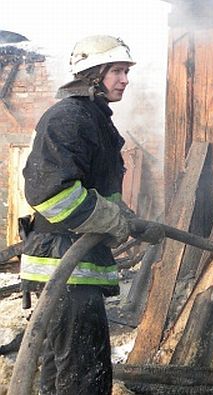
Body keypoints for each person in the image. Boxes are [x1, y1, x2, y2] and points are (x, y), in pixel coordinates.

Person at [19, 35, 161, 395]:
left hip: (74, 268)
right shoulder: (68, 118)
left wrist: (130, 219)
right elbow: (51, 193)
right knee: (86, 374)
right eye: (116, 71)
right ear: (91, 74)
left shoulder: (94, 120)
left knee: (64, 370)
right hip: (63, 265)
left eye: (126, 71)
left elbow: (99, 192)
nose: (125, 80)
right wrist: (115, 222)